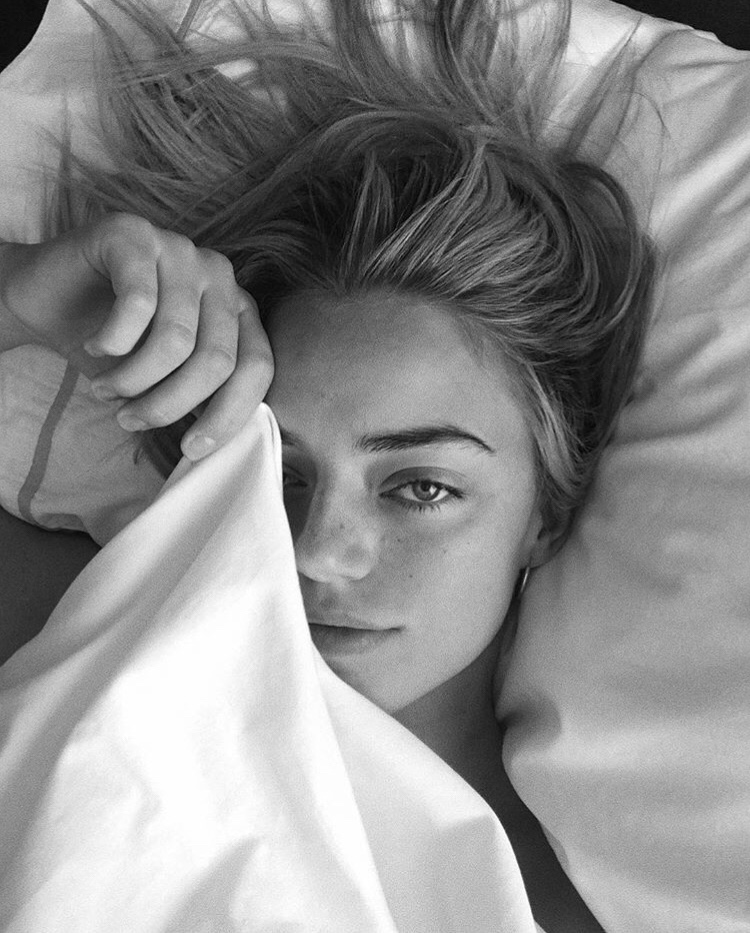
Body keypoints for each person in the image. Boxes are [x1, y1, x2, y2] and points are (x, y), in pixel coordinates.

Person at [0, 0, 655, 927]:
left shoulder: (613, 897)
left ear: (544, 512)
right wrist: (18, 295)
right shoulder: (89, 645)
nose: (316, 550)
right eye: (282, 473)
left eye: (419, 487)